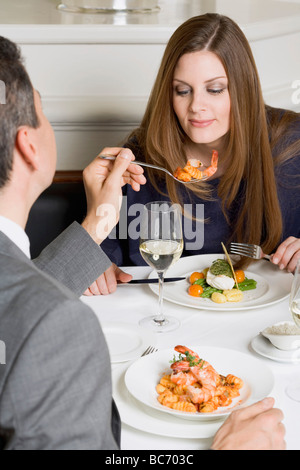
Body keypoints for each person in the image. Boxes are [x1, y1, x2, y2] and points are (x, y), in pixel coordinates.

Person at [0, 36, 286, 451]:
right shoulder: (56, 328)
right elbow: (31, 312)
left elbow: (18, 302)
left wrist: (99, 218)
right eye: (42, 112)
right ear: (30, 146)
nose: (196, 105)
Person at [91, 13, 300, 296]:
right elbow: (100, 264)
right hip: (163, 324)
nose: (196, 106)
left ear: (243, 90)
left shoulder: (290, 144)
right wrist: (97, 212)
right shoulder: (140, 160)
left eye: (214, 89)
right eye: (182, 91)